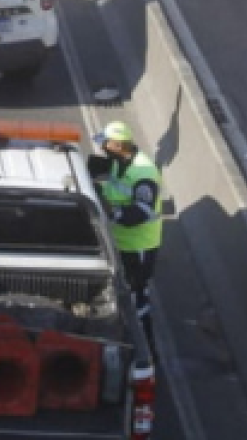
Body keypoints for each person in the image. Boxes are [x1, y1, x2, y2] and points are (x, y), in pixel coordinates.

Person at [91, 121, 162, 336]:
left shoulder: (144, 174)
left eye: (106, 144)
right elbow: (106, 177)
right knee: (119, 289)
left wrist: (110, 212)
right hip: (119, 240)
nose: (102, 147)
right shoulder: (119, 161)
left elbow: (141, 212)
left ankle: (144, 343)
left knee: (136, 295)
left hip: (138, 246)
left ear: (119, 146)